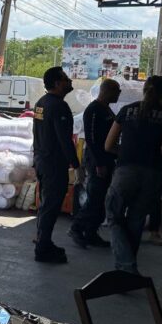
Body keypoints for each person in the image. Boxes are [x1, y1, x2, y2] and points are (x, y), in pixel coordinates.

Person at [104, 76, 162, 274]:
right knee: (136, 220)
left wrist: (127, 152)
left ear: (144, 89)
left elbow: (108, 145)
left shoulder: (127, 110)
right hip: (153, 174)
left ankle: (126, 266)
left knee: (114, 216)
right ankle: (128, 270)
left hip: (126, 171)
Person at [33, 66, 81, 264]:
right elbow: (64, 139)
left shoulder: (41, 103)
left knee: (46, 204)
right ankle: (43, 248)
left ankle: (43, 240)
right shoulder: (58, 106)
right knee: (51, 205)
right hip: (53, 164)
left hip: (42, 161)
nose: (69, 81)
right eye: (65, 79)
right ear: (57, 83)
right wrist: (76, 165)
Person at [68, 79, 121, 248]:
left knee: (100, 199)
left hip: (107, 158)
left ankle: (91, 232)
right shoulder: (93, 110)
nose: (119, 93)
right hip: (97, 159)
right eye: (116, 90)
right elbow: (91, 139)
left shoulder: (107, 109)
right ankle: (76, 228)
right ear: (107, 91)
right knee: (94, 198)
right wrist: (99, 163)